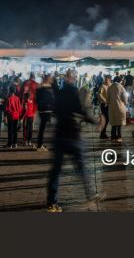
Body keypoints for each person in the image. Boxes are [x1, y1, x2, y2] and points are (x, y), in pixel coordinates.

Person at [46, 69, 101, 212]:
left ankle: (52, 202)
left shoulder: (59, 92)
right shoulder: (74, 92)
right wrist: (95, 121)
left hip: (59, 134)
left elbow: (54, 110)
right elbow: (82, 111)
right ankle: (90, 194)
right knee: (81, 166)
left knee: (56, 171)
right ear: (73, 79)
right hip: (72, 134)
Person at [36, 74, 56, 151]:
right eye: (50, 79)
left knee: (42, 128)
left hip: (43, 109)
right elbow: (49, 98)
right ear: (47, 79)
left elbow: (38, 99)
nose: (51, 80)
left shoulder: (41, 87)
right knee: (42, 128)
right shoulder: (46, 87)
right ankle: (40, 145)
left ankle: (40, 144)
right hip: (45, 110)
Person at [106, 76, 128, 142]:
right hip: (120, 107)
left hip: (112, 107)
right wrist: (126, 103)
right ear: (120, 81)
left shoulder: (110, 87)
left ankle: (113, 137)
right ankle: (119, 137)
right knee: (119, 123)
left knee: (113, 123)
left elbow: (107, 98)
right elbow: (124, 98)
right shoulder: (121, 87)